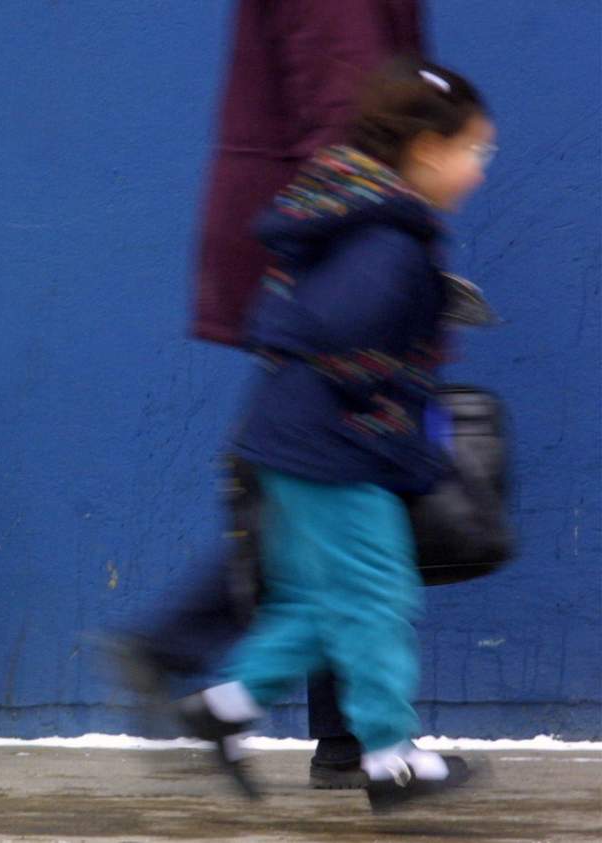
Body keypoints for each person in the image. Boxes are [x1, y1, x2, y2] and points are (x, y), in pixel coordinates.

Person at [178, 57, 496, 810]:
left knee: (321, 602)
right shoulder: (389, 239)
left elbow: (306, 315)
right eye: (474, 152)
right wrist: (378, 386)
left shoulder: (360, 221)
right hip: (339, 450)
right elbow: (324, 324)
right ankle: (391, 756)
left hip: (299, 444)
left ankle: (226, 707)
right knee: (378, 595)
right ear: (425, 150)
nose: (480, 170)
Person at [134, 0, 428, 791]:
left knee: (321, 548)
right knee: (361, 556)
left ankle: (250, 703)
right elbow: (351, 107)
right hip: (343, 306)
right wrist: (389, 257)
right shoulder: (377, 233)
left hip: (322, 293)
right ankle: (380, 748)